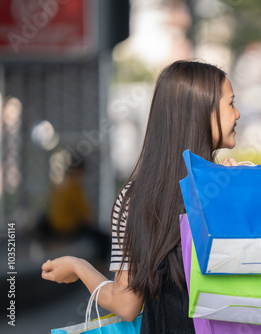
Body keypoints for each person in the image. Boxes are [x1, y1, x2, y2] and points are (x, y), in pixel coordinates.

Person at [41, 60, 241, 333]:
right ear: (202, 112)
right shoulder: (233, 185)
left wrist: (79, 267)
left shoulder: (137, 199)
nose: (238, 113)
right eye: (230, 103)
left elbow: (126, 305)